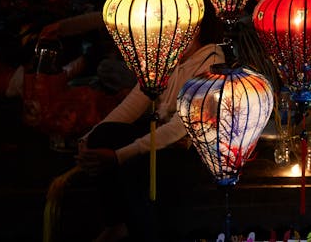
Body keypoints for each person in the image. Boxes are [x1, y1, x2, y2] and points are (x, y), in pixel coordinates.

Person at [77, 37, 223, 242]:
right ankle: (117, 223)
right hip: (162, 138)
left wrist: (119, 156)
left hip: (189, 151)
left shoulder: (211, 59)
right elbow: (133, 104)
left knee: (133, 163)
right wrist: (87, 139)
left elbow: (179, 127)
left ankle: (139, 229)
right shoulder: (167, 57)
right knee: (103, 135)